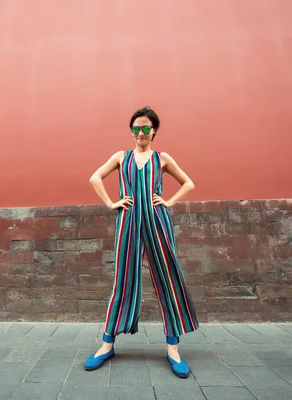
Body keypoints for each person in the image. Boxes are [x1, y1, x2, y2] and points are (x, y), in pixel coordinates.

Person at [85, 106, 199, 378]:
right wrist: (112, 203)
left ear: (154, 130)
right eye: (136, 128)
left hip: (158, 221)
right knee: (123, 280)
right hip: (127, 222)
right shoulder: (120, 157)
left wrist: (169, 202)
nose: (141, 132)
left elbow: (188, 183)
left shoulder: (162, 158)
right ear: (131, 131)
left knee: (168, 278)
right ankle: (107, 344)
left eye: (146, 128)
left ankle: (173, 347)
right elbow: (95, 177)